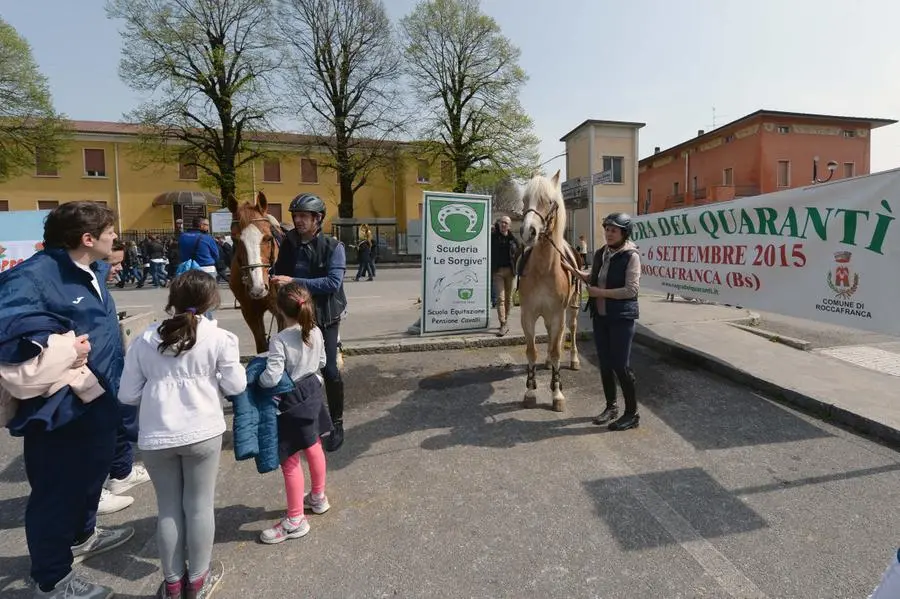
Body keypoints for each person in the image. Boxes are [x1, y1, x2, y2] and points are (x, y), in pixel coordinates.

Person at [0, 201, 133, 599]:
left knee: (91, 476)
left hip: (100, 402)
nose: (116, 237)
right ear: (87, 239)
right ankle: (52, 579)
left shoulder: (90, 267)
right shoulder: (34, 275)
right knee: (56, 493)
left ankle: (82, 536)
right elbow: (7, 327)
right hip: (61, 409)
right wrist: (58, 347)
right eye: (110, 230)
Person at [118, 270, 247, 599]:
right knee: (200, 506)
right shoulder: (219, 338)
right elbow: (236, 386)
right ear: (210, 302)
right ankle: (198, 581)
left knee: (169, 509)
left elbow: (127, 395)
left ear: (172, 300)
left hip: (157, 434)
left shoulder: (145, 340)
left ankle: (173, 584)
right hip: (203, 430)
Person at [271, 193, 348, 452]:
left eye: (304, 216)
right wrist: (270, 277)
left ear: (318, 219)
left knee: (329, 371)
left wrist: (292, 281)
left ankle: (336, 423)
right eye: (295, 215)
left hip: (324, 316)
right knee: (293, 369)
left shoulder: (334, 247)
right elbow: (279, 269)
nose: (298, 220)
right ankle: (296, 416)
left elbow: (332, 284)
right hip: (294, 315)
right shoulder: (290, 242)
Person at [257, 283, 332, 544]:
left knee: (289, 458)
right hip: (313, 391)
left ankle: (295, 519)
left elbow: (272, 377)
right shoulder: (317, 331)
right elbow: (322, 362)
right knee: (313, 444)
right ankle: (318, 497)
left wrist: (259, 379)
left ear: (279, 309)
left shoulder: (280, 340)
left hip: (291, 399)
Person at [564, 213, 641, 431]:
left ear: (624, 233)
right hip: (601, 318)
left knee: (621, 366)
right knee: (605, 364)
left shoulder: (630, 256)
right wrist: (574, 270)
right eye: (607, 229)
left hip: (621, 318)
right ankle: (611, 407)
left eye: (613, 230)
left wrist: (600, 292)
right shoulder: (601, 253)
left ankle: (632, 414)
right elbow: (593, 277)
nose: (608, 233)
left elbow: (631, 290)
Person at [490, 215, 519, 337]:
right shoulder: (493, 237)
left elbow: (518, 255)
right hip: (498, 272)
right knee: (500, 299)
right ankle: (502, 324)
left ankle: (505, 321)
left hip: (510, 272)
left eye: (506, 223)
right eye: (502, 222)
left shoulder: (513, 240)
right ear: (499, 224)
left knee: (508, 299)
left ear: (509, 226)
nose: (503, 225)